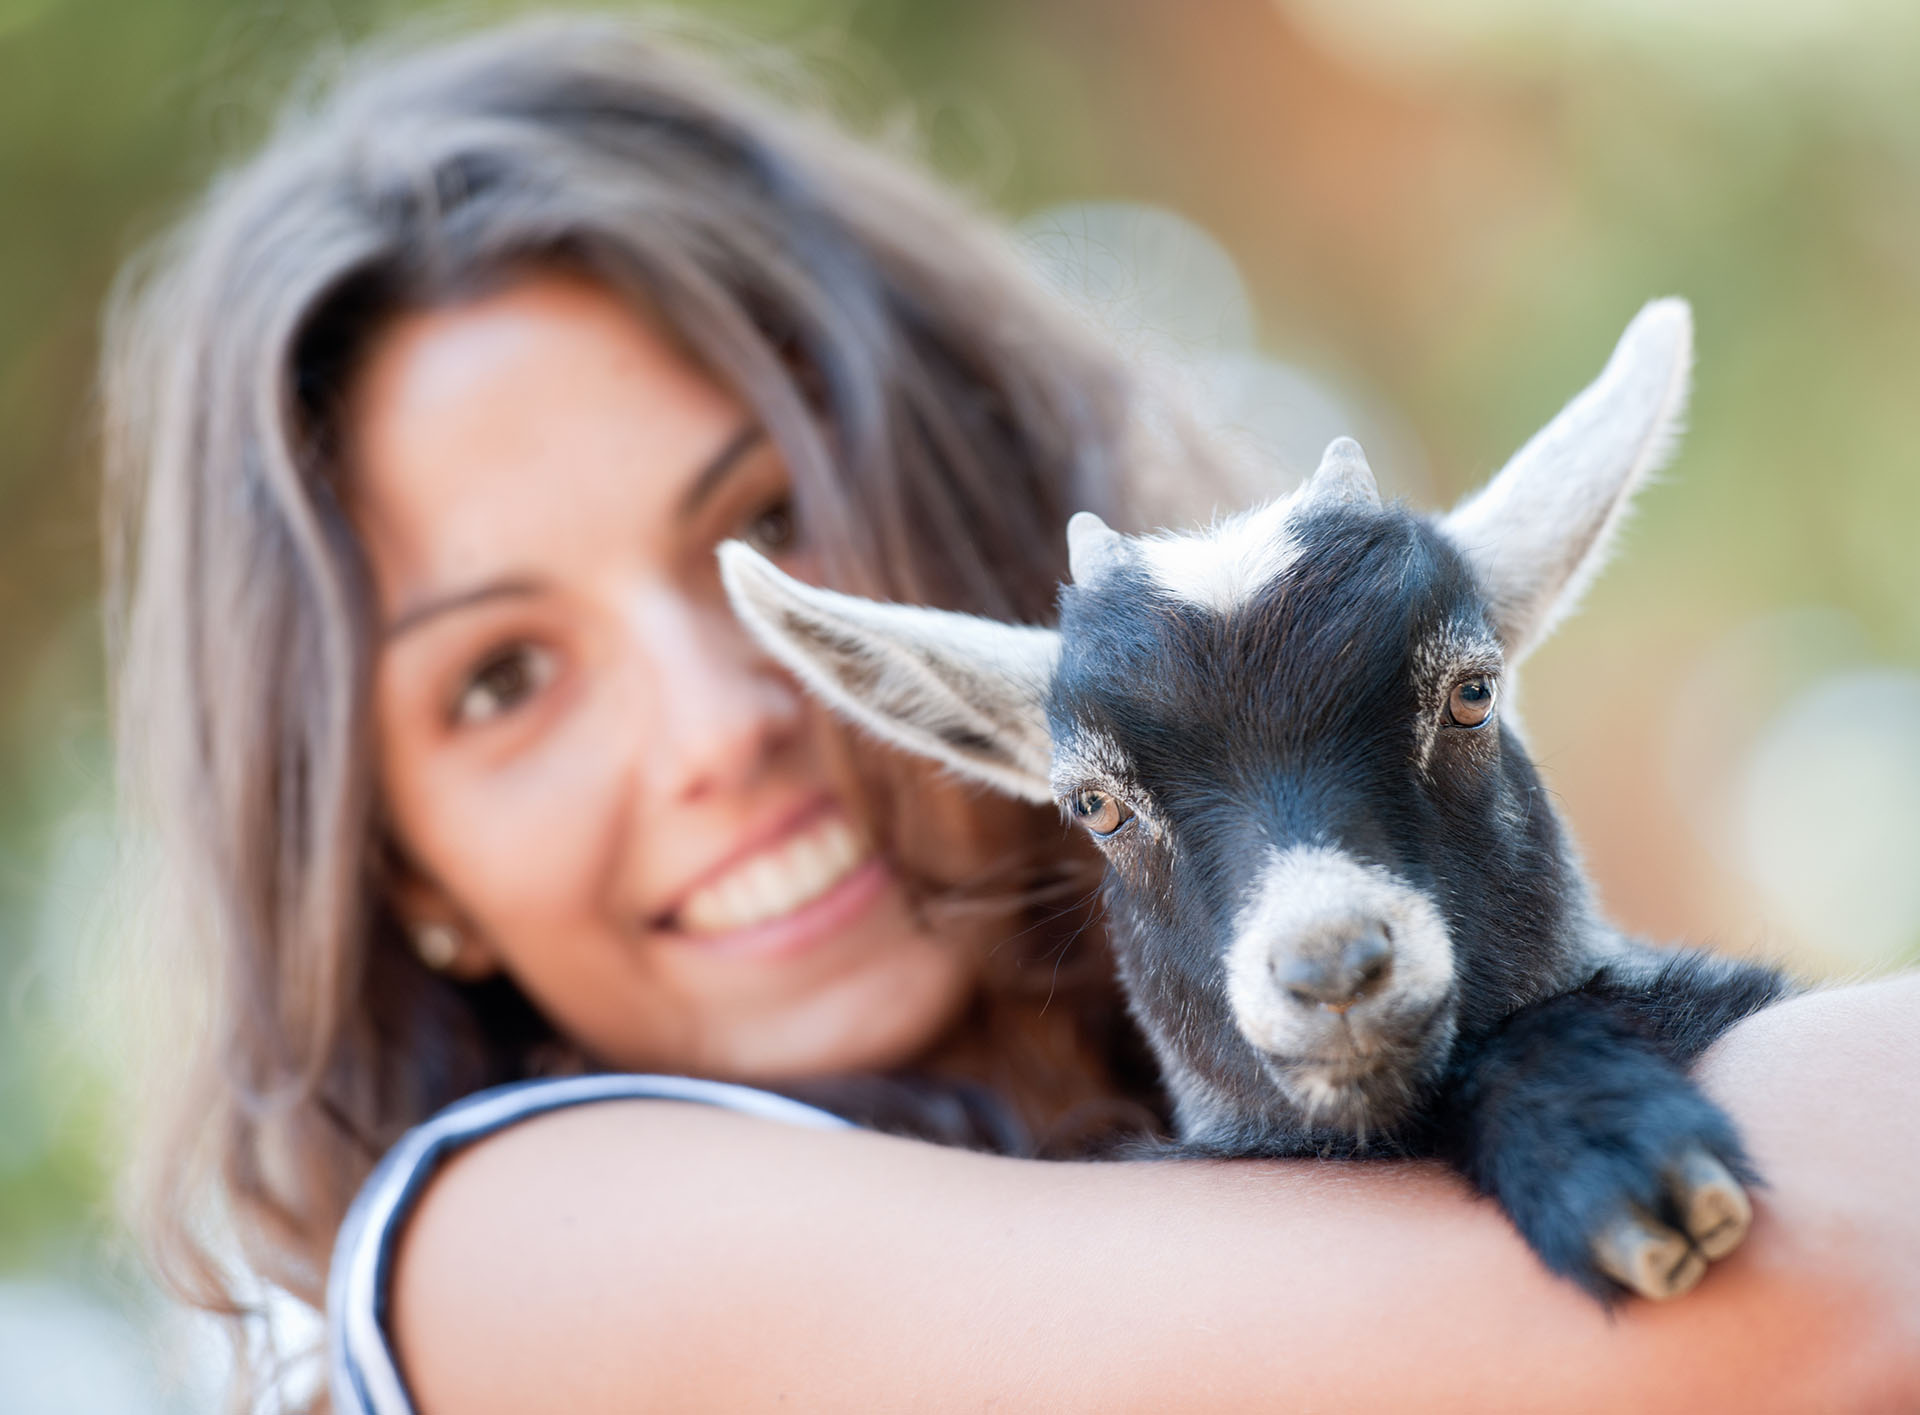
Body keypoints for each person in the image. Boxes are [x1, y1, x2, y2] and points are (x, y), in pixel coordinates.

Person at [102, 15, 1918, 1414]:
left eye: (765, 521)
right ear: (393, 853)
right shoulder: (514, 1244)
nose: (713, 725)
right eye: (499, 679)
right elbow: (1791, 1319)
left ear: (959, 483)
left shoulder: (1275, 1088)